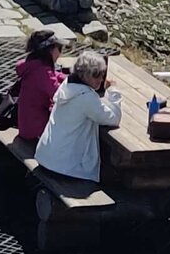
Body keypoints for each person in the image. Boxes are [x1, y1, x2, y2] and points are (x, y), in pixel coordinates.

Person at [34, 48, 122, 183]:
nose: (100, 79)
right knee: (115, 176)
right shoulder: (86, 97)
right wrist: (113, 91)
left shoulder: (67, 85)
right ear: (84, 75)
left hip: (46, 157)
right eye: (95, 74)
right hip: (66, 168)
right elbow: (114, 119)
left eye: (102, 74)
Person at [10, 28, 66, 148]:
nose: (61, 53)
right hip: (36, 131)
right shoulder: (43, 71)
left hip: (26, 124)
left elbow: (52, 76)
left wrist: (65, 77)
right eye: (59, 49)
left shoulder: (33, 65)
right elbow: (60, 95)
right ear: (50, 50)